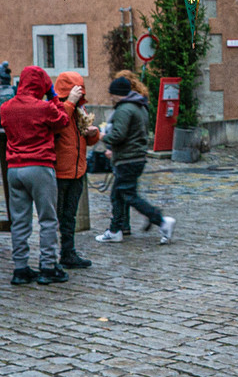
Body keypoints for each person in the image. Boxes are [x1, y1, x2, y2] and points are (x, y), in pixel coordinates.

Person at [0, 65, 73, 285]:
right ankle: (48, 267)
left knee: (19, 221)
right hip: (40, 166)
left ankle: (20, 269)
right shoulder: (43, 107)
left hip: (14, 168)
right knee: (48, 219)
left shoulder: (6, 108)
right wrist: (53, 96)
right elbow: (62, 121)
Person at [95, 74, 174, 244]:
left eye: (112, 94)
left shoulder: (125, 108)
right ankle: (115, 230)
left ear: (117, 94)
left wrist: (102, 136)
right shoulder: (139, 106)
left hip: (127, 159)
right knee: (117, 195)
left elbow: (118, 135)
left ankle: (160, 220)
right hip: (135, 157)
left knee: (129, 195)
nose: (111, 98)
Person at [53, 71, 100, 270]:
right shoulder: (58, 108)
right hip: (59, 173)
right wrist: (70, 104)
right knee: (55, 216)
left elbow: (87, 140)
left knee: (70, 216)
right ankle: (49, 257)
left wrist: (93, 133)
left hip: (77, 171)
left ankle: (68, 253)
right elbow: (56, 125)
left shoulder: (79, 110)